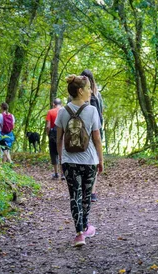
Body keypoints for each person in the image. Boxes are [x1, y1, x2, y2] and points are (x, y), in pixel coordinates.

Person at [55, 74, 104, 247]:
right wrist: (100, 160)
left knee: (74, 196)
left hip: (69, 162)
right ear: (81, 91)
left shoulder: (62, 111)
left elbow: (58, 139)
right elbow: (97, 139)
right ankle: (85, 226)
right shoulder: (92, 111)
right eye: (89, 88)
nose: (91, 91)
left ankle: (79, 234)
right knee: (86, 196)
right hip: (89, 160)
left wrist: (62, 160)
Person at [81, 69, 104, 202]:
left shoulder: (74, 96)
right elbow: (101, 113)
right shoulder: (98, 95)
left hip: (81, 131)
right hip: (94, 129)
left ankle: (90, 190)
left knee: (89, 159)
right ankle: (91, 191)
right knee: (93, 159)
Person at [46, 98, 63, 180]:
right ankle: (63, 174)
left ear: (53, 104)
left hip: (53, 134)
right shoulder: (64, 111)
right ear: (61, 104)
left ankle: (56, 173)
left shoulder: (50, 112)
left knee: (53, 153)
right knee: (62, 154)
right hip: (63, 134)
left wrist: (48, 134)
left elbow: (48, 126)